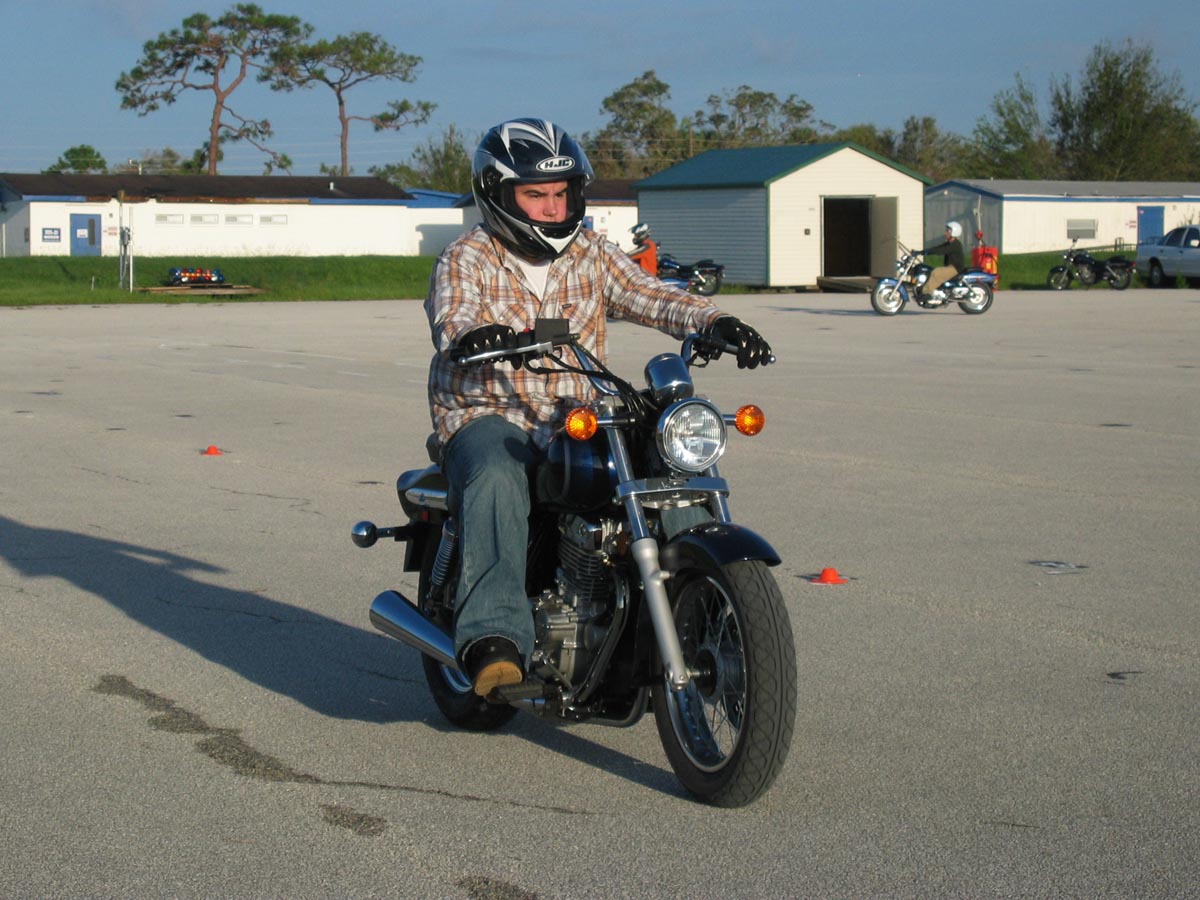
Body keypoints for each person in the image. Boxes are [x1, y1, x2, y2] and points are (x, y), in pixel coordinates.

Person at [424, 117, 773, 699]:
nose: (551, 207)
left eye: (561, 193)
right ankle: (493, 636)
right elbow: (453, 315)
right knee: (495, 475)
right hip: (490, 413)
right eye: (535, 194)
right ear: (498, 195)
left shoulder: (589, 252)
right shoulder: (467, 257)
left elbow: (648, 293)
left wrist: (715, 321)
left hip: (578, 414)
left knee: (665, 465)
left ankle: (693, 607)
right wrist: (473, 336)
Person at [920, 221, 966, 297]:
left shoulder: (955, 244)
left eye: (948, 231)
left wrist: (928, 252)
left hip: (955, 268)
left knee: (936, 272)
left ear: (954, 232)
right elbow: (938, 248)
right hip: (950, 267)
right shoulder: (950, 243)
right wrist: (922, 252)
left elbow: (941, 251)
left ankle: (927, 293)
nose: (946, 233)